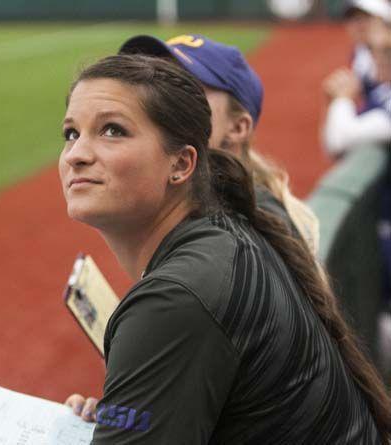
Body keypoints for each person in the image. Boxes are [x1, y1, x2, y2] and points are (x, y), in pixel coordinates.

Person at [59, 54, 390, 442]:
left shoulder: (178, 296)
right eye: (71, 133)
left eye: (112, 131)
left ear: (181, 165)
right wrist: (137, 408)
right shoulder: (230, 232)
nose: (76, 154)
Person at [117, 33, 320, 255]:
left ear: (237, 128)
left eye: (185, 90)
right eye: (156, 87)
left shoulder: (245, 233)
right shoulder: (210, 208)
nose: (162, 104)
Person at [322, 20, 391, 156]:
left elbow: (339, 141)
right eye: (371, 48)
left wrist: (342, 99)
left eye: (388, 51)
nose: (378, 57)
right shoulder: (382, 91)